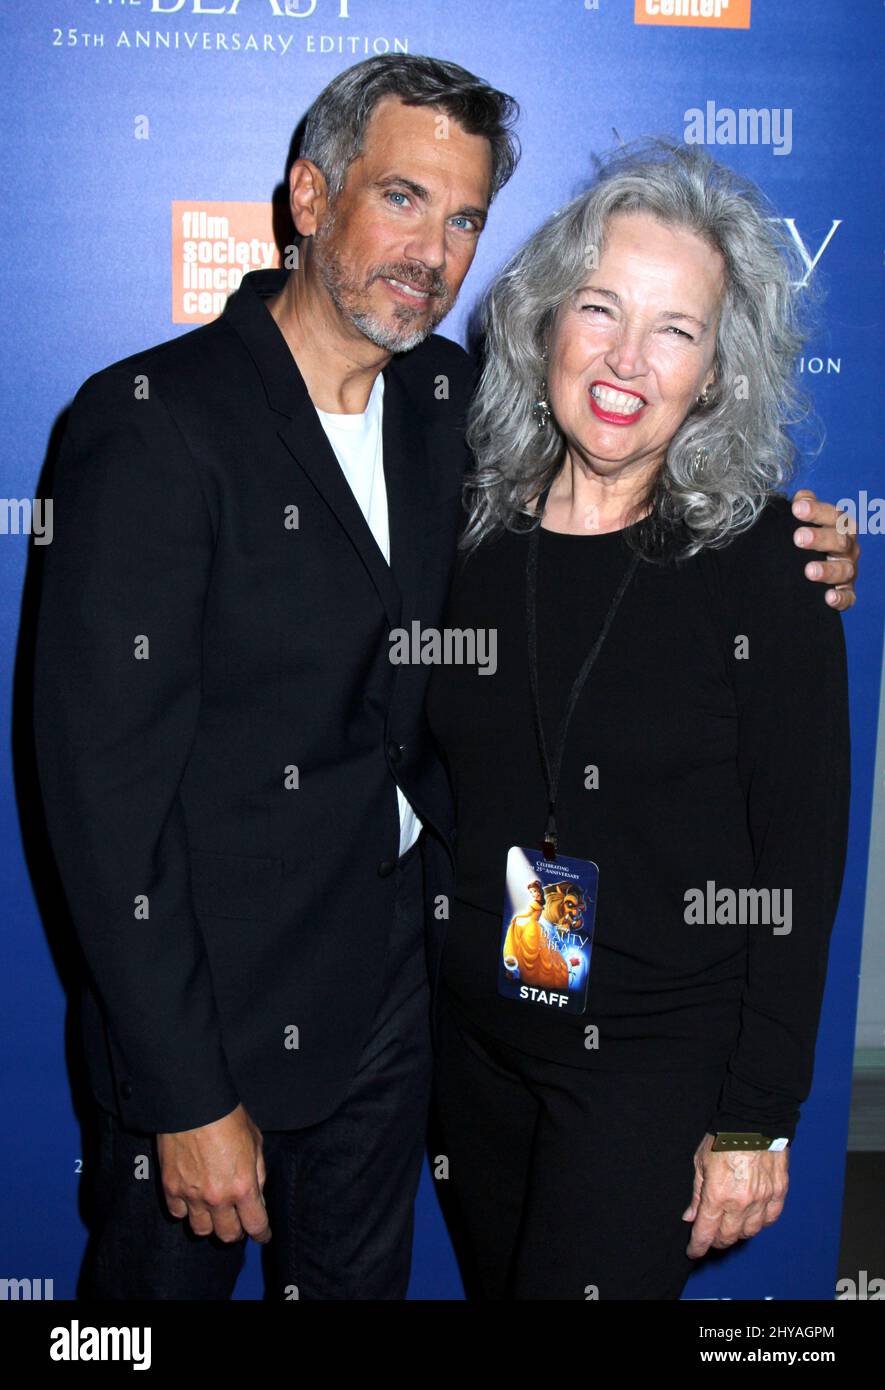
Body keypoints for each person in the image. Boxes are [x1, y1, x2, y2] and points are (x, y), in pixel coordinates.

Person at [32, 52, 855, 1301]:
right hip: (208, 1035)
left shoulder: (447, 410)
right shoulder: (149, 424)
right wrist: (183, 1090)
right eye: (403, 198)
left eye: (465, 216)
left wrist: (812, 549)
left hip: (400, 1026)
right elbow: (100, 803)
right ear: (311, 198)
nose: (432, 247)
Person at [426, 140, 853, 1301]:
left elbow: (802, 863)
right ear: (545, 324)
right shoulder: (460, 535)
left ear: (717, 370)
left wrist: (760, 1114)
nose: (626, 359)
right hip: (469, 1055)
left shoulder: (773, 567)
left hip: (653, 1068)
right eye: (600, 308)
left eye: (677, 328)